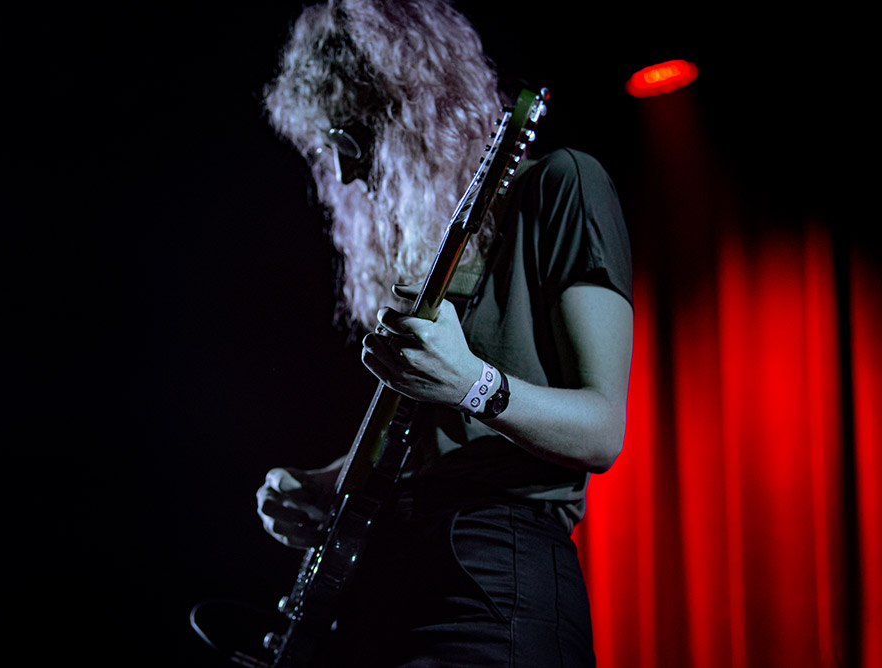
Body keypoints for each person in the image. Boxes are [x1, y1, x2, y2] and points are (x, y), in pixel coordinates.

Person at [256, 1, 633, 665]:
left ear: (414, 110)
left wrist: (473, 382)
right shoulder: (434, 266)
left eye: (352, 142)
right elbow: (430, 448)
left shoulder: (561, 186)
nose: (346, 176)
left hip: (496, 580)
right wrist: (321, 486)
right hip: (392, 585)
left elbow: (602, 431)